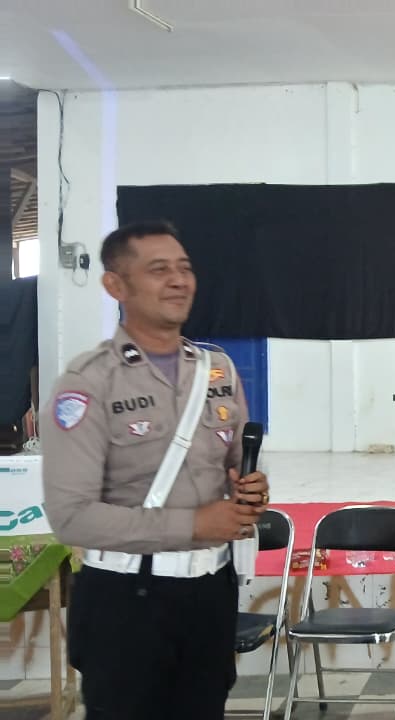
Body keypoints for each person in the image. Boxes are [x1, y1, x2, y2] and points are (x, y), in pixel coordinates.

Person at [42, 221, 269, 719]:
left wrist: (251, 489)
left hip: (209, 594)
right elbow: (71, 517)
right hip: (127, 602)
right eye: (159, 269)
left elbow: (233, 468)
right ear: (116, 286)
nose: (178, 280)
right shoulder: (88, 382)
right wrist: (193, 524)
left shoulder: (219, 371)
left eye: (184, 268)